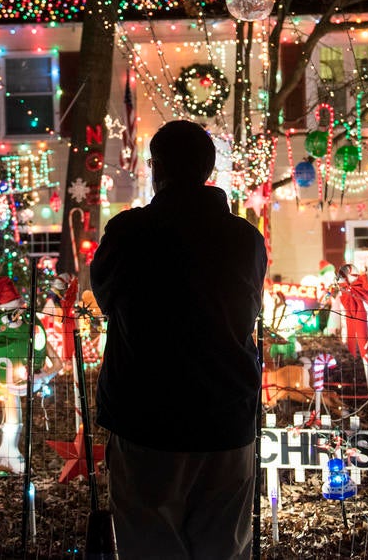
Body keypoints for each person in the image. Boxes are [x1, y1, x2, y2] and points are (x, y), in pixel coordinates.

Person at [91, 120, 267, 559]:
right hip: (227, 416)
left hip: (145, 416)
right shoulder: (244, 238)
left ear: (157, 168)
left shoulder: (129, 233)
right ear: (208, 170)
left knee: (149, 543)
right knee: (223, 547)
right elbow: (248, 312)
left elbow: (106, 298)